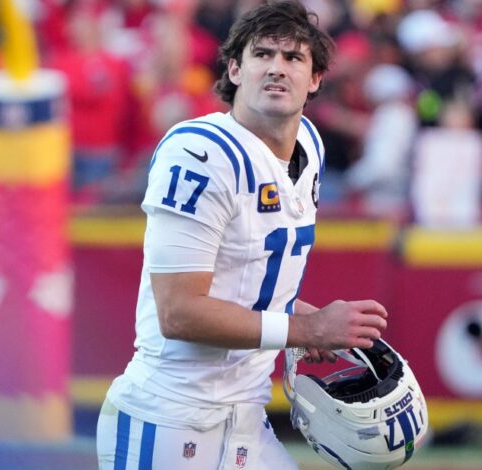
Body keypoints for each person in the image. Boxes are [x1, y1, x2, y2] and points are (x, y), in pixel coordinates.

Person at [96, 2, 389, 469]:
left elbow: (243, 277)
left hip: (246, 417)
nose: (277, 68)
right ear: (235, 69)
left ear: (315, 79)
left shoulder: (308, 145)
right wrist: (304, 329)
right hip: (170, 418)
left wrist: (299, 315)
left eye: (293, 57)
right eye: (263, 54)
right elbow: (178, 312)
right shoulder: (199, 153)